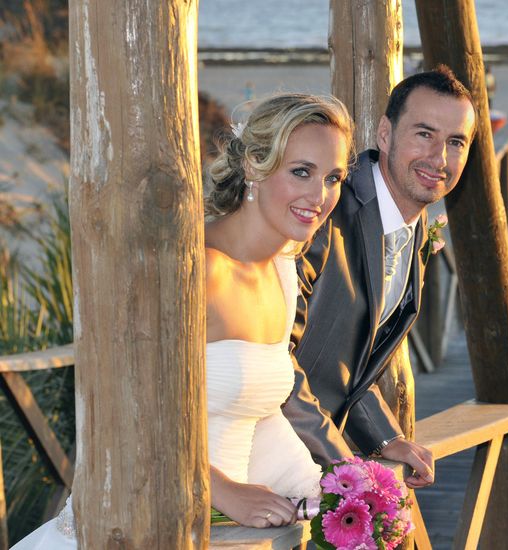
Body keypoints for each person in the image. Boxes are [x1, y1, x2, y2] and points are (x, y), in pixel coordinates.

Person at [12, 93, 354, 548]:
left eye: (333, 177)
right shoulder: (194, 270)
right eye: (301, 172)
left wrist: (339, 492)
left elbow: (259, 412)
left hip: (218, 531)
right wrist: (222, 490)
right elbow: (129, 415)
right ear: (254, 165)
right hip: (135, 522)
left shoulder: (283, 268)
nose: (320, 196)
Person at [284, 66, 477, 488]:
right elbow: (277, 358)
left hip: (310, 455)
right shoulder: (323, 210)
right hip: (265, 454)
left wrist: (384, 437)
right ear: (385, 134)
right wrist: (343, 466)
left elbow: (351, 364)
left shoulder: (418, 229)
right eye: (424, 134)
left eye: (456, 142)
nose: (439, 159)